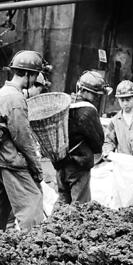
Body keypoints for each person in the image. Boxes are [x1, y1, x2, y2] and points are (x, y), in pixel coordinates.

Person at [0, 50, 44, 234]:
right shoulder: (15, 98)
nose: (35, 79)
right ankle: (33, 242)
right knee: (32, 201)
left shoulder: (3, 92)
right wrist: (35, 166)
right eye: (35, 75)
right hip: (10, 159)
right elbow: (22, 137)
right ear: (28, 74)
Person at [52, 70, 105, 204]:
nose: (96, 98)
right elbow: (98, 142)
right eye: (95, 94)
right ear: (85, 91)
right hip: (78, 165)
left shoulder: (64, 105)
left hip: (60, 163)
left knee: (62, 201)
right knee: (80, 206)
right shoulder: (88, 111)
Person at [103, 80, 133, 157]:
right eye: (122, 100)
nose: (125, 103)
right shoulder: (115, 121)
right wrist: (108, 151)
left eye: (128, 100)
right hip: (123, 160)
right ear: (118, 100)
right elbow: (109, 141)